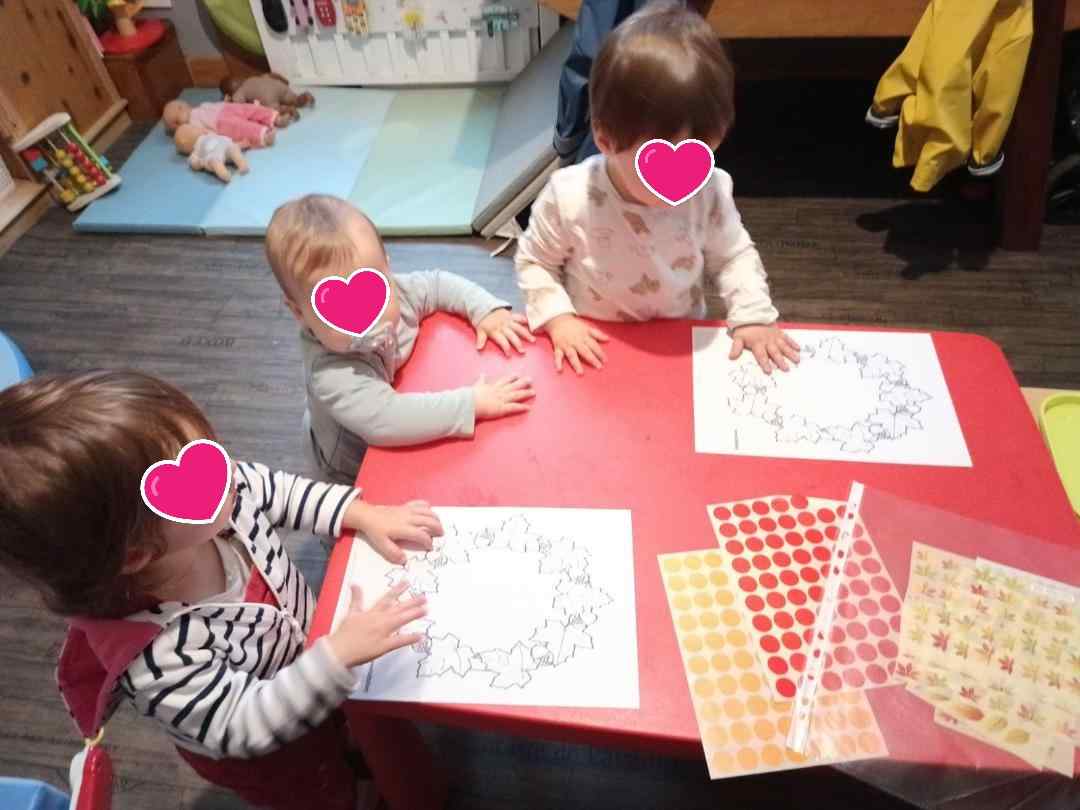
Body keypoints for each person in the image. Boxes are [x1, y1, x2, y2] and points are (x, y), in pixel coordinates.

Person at [0, 370, 441, 809]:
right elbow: (244, 725)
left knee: (347, 734)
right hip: (279, 755)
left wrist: (359, 513)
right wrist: (336, 656)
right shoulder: (157, 659)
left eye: (208, 454)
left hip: (313, 667)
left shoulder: (218, 501)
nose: (227, 472)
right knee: (324, 791)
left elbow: (281, 492)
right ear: (137, 556)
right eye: (193, 482)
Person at [515, 0, 800, 376]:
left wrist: (753, 316)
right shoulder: (569, 195)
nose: (684, 180)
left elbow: (733, 256)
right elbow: (535, 261)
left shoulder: (709, 190)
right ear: (606, 140)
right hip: (595, 345)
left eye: (700, 153)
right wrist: (558, 318)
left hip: (677, 344)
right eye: (658, 161)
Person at [266, 195, 536, 484]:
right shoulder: (331, 373)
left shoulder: (400, 291)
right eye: (337, 309)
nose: (365, 319)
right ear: (299, 313)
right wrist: (471, 403)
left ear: (388, 269)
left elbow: (437, 284)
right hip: (347, 461)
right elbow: (389, 418)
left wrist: (484, 309)